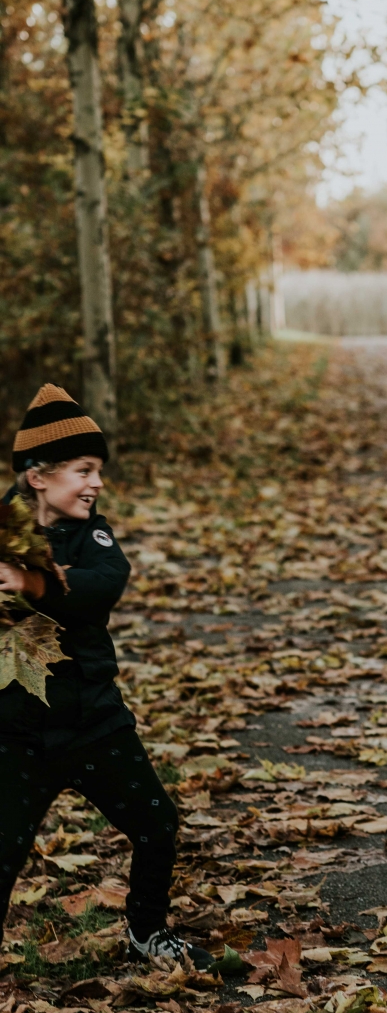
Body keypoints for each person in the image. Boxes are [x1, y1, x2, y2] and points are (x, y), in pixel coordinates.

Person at [0, 384, 213, 967]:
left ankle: (146, 931)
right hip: (17, 735)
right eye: (83, 470)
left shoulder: (94, 537)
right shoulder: (2, 532)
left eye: (98, 471)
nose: (96, 483)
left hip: (95, 723)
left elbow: (102, 586)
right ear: (38, 477)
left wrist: (34, 583)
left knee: (156, 826)